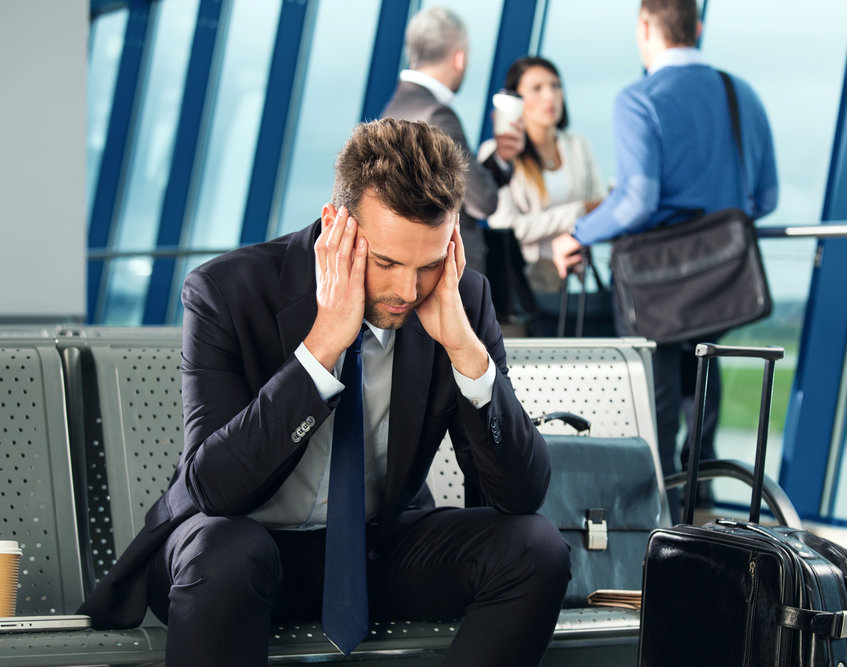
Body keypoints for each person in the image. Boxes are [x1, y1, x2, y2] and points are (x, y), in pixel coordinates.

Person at [78, 119, 571, 667]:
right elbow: (212, 489)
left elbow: (521, 496)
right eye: (386, 263)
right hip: (237, 555)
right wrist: (321, 349)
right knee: (229, 553)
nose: (407, 292)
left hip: (373, 552)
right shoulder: (226, 291)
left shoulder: (460, 299)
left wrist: (466, 353)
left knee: (536, 548)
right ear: (338, 226)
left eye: (428, 265)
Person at [551, 0, 778, 518]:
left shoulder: (639, 98)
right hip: (722, 279)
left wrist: (580, 232)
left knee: (654, 413)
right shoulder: (740, 94)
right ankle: (703, 519)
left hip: (656, 286)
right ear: (697, 28)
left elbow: (638, 200)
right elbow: (763, 199)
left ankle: (659, 532)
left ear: (646, 26)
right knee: (704, 398)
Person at [381, 6, 524, 276]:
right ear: (459, 58)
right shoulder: (438, 116)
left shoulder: (394, 110)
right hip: (448, 275)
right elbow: (483, 201)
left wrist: (499, 159)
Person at [477, 56, 605, 297]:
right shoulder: (497, 155)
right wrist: (578, 212)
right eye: (537, 88)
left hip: (575, 278)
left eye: (555, 86)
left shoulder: (578, 145)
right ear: (515, 101)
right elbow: (507, 226)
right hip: (526, 283)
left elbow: (600, 207)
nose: (550, 96)